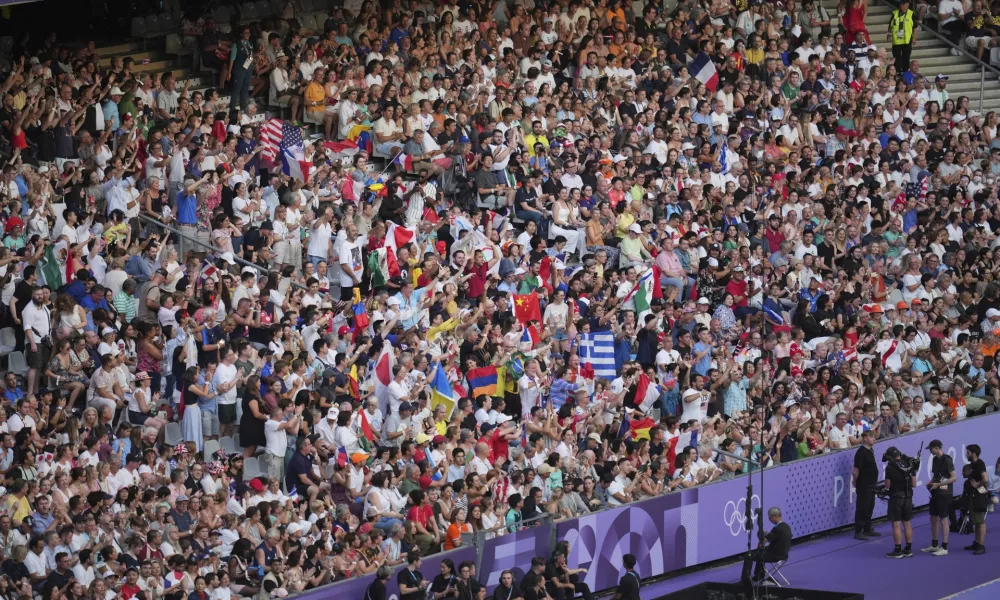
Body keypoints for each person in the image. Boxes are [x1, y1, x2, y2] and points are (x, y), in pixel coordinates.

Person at [922, 439, 956, 555]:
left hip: (944, 493)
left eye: (931, 449)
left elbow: (953, 478)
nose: (930, 451)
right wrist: (931, 482)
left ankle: (944, 547)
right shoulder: (935, 460)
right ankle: (935, 545)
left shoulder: (947, 460)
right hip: (935, 492)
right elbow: (936, 475)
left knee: (943, 520)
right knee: (933, 518)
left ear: (936, 448)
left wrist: (939, 484)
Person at [883, 446, 915, 558]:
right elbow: (914, 484)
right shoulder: (909, 464)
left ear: (890, 457)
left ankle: (897, 551)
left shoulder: (890, 467)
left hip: (896, 498)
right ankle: (908, 549)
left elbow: (887, 486)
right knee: (907, 523)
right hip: (908, 497)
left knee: (896, 524)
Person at [852, 430, 881, 540]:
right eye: (871, 437)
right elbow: (855, 470)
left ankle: (867, 529)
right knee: (862, 508)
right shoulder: (861, 452)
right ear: (865, 439)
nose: (874, 439)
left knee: (870, 507)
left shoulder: (870, 450)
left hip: (871, 484)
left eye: (874, 437)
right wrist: (856, 481)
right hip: (863, 485)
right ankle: (858, 531)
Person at [964, 444, 989, 554]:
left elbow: (986, 479)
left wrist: (978, 485)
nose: (967, 454)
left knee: (980, 521)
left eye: (968, 452)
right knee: (977, 521)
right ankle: (977, 542)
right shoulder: (972, 465)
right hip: (974, 496)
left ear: (974, 453)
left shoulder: (980, 463)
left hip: (980, 496)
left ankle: (981, 546)